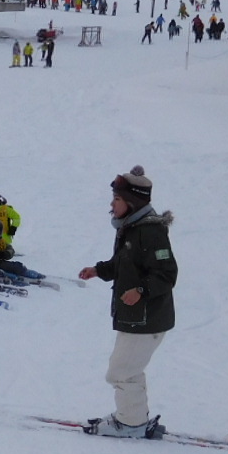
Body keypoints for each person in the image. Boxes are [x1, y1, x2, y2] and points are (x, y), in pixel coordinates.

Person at [77, 167, 177, 438]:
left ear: (132, 202)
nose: (112, 204)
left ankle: (131, 424)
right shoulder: (131, 229)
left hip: (147, 317)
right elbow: (125, 264)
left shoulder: (150, 232)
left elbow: (167, 274)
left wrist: (141, 291)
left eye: (116, 199)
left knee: (122, 372)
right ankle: (131, 416)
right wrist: (99, 270)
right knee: (126, 369)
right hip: (137, 317)